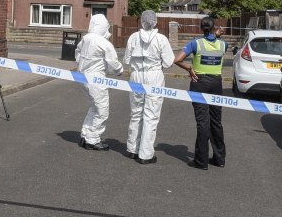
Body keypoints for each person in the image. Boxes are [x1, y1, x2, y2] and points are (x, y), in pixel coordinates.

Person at [174, 16, 226, 169]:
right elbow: (213, 42)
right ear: (214, 27)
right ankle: (219, 159)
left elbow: (178, 60)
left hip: (199, 83)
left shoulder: (195, 43)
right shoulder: (224, 45)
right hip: (217, 83)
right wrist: (216, 36)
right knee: (216, 121)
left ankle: (201, 161)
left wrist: (189, 68)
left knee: (203, 121)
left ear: (201, 28)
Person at [124, 10, 175, 164]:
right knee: (151, 115)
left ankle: (132, 148)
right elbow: (168, 62)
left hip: (136, 75)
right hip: (154, 76)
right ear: (155, 21)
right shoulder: (161, 39)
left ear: (141, 21)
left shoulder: (133, 37)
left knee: (136, 112)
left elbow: (126, 60)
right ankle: (145, 154)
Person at [75, 13, 123, 151]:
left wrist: (83, 64)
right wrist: (119, 70)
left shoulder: (85, 38)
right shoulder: (104, 43)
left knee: (93, 107)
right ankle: (93, 140)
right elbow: (113, 63)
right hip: (96, 80)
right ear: (104, 27)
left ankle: (85, 135)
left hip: (82, 77)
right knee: (102, 110)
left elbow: (77, 53)